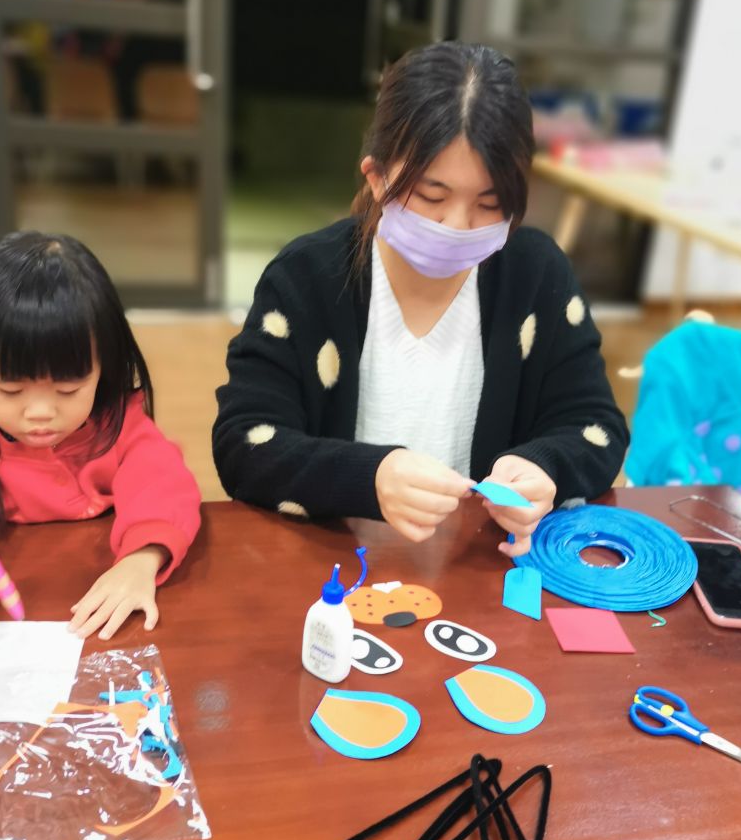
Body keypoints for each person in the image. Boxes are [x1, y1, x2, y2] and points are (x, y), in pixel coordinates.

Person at [213, 41, 628, 555]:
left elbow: (596, 429)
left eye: (490, 203)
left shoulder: (535, 274)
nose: (458, 224)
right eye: (433, 196)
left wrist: (545, 467)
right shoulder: (307, 277)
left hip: (478, 571)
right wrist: (369, 477)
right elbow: (244, 444)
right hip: (335, 570)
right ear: (377, 176)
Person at [0, 233, 200, 638]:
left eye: (68, 390)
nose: (40, 413)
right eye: (10, 390)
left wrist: (142, 558)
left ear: (104, 367)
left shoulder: (120, 425)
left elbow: (164, 485)